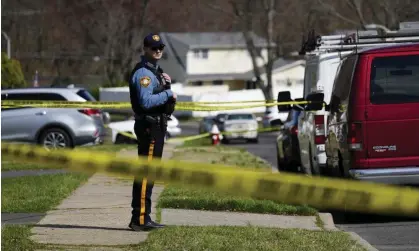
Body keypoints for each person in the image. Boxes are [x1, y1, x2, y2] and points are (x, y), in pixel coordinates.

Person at [128, 33, 177, 231]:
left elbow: (164, 101)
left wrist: (167, 85)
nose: (157, 50)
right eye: (153, 47)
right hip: (149, 127)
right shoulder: (144, 74)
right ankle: (140, 219)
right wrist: (168, 93)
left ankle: (143, 217)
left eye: (160, 47)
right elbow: (146, 102)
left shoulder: (155, 72)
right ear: (145, 49)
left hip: (156, 126)